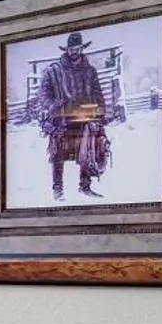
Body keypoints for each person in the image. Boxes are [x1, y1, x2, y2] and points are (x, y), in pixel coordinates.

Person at [33, 30, 112, 199]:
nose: (74, 51)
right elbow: (43, 95)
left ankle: (85, 186)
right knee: (58, 154)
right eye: (71, 48)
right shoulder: (53, 71)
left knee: (88, 152)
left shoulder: (90, 71)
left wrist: (101, 112)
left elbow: (98, 94)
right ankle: (57, 189)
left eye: (77, 48)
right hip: (62, 119)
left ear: (82, 48)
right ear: (66, 50)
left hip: (85, 118)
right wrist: (53, 104)